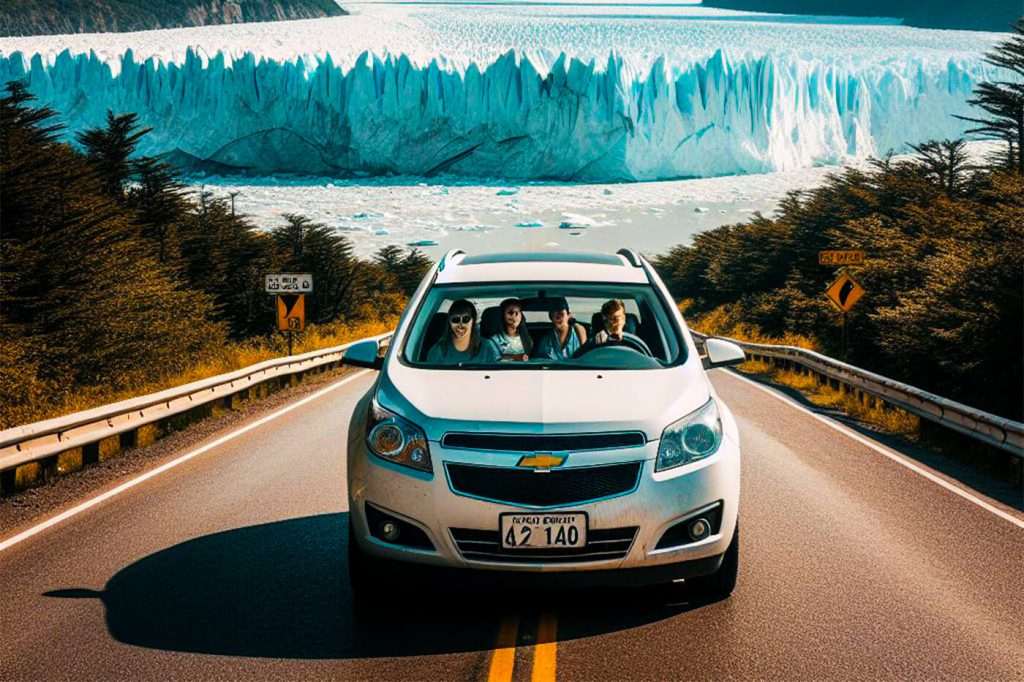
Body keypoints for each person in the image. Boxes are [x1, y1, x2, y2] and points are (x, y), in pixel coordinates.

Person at [427, 299, 499, 365]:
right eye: (455, 320)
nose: (460, 325)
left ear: (473, 321)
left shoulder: (486, 348)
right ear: (449, 322)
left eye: (465, 319)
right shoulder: (438, 351)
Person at [581, 299, 652, 355]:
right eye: (608, 320)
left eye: (616, 319)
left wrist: (623, 334)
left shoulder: (633, 330)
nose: (612, 323)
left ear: (624, 319)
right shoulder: (598, 335)